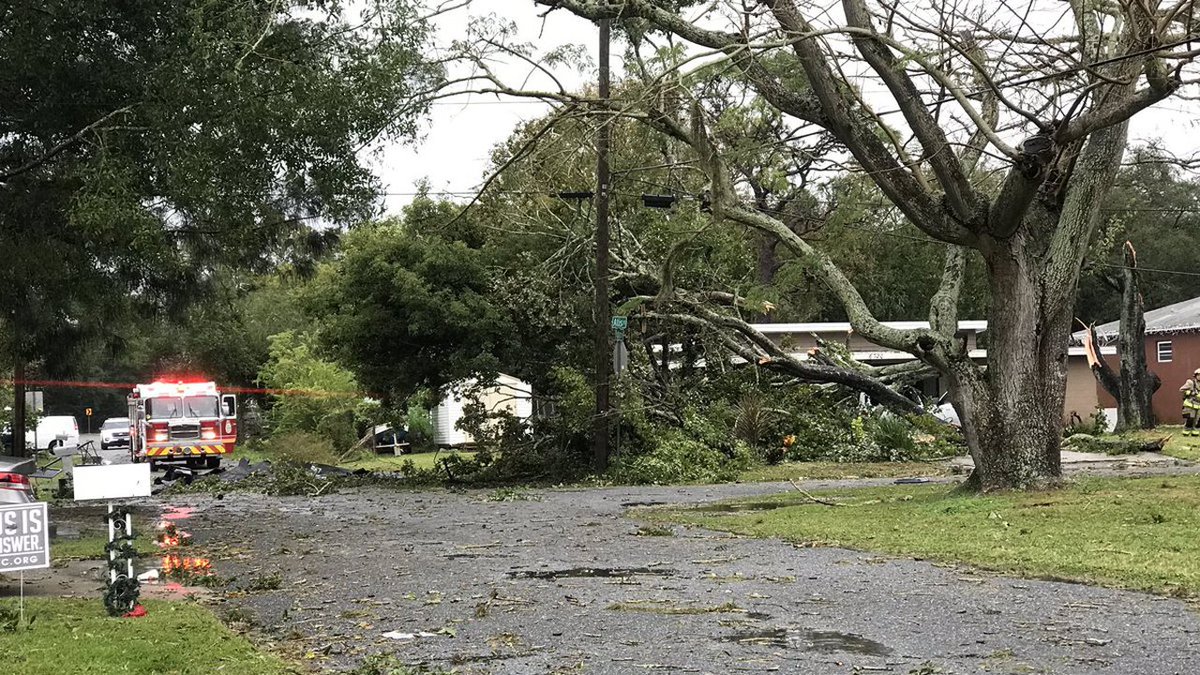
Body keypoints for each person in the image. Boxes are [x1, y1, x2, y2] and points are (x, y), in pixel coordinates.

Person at [1180, 369, 1200, 436]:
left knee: (1198, 420)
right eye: (1198, 375)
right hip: (1190, 404)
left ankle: (1195, 433)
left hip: (1199, 405)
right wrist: (1190, 392)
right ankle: (1186, 432)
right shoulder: (1190, 383)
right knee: (1190, 419)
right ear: (1195, 375)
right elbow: (1181, 389)